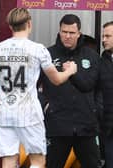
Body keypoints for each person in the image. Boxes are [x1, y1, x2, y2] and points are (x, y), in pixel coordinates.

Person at [0, 8, 77, 168]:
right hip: (30, 114)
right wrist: (70, 71)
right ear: (29, 24)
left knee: (8, 159)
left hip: (6, 114)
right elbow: (56, 80)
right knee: (37, 160)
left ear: (10, 26)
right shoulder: (38, 49)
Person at [39, 14, 101, 168]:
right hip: (57, 125)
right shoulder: (47, 55)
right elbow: (32, 86)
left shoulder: (91, 56)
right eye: (64, 32)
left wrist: (96, 110)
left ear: (79, 33)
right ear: (59, 32)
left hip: (85, 126)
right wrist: (46, 105)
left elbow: (93, 85)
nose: (67, 36)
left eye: (72, 33)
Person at [99, 21, 113, 168]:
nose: (103, 40)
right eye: (103, 36)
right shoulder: (100, 63)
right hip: (109, 128)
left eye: (108, 36)